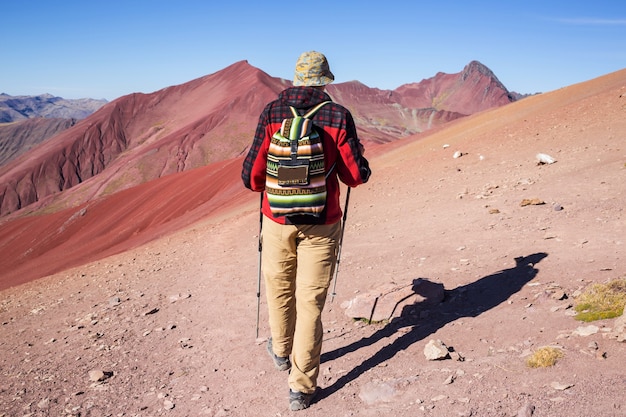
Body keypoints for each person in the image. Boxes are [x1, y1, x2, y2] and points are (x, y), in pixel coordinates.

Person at [241, 51, 371, 411]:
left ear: (296, 78)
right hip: (322, 222)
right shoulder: (337, 115)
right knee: (310, 303)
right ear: (325, 80)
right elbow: (355, 176)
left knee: (279, 288)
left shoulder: (272, 112)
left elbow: (251, 178)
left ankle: (281, 351)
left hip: (277, 220)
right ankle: (301, 388)